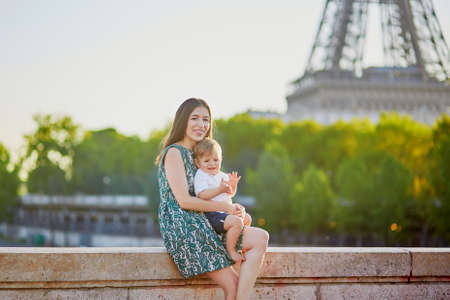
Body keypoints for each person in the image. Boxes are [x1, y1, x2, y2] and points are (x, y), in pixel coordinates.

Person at [156, 98, 269, 300]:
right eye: (195, 118)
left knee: (261, 237)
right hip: (185, 226)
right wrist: (223, 207)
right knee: (232, 284)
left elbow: (216, 192)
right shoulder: (174, 152)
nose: (201, 125)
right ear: (183, 120)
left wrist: (232, 207)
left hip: (206, 220)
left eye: (206, 120)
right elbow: (183, 201)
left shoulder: (202, 154)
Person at [193, 138, 252, 263]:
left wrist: (233, 186)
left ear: (221, 160)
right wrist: (220, 189)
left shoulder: (223, 175)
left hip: (226, 211)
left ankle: (239, 242)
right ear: (198, 163)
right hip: (212, 213)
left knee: (247, 218)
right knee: (236, 222)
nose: (212, 164)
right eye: (206, 160)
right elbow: (202, 195)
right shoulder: (201, 175)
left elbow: (229, 194)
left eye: (216, 160)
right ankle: (231, 251)